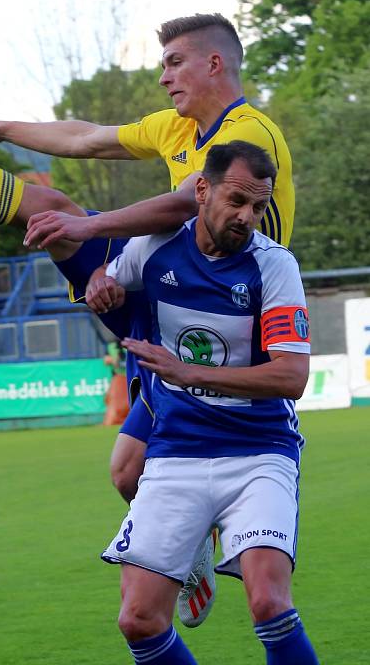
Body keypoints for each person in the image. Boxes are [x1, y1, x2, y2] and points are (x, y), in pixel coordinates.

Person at [0, 13, 293, 625]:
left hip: (231, 324)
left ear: (214, 64)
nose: (163, 78)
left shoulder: (249, 135)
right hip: (174, 303)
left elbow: (179, 201)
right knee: (125, 472)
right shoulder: (175, 129)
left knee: (129, 464)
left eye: (174, 63)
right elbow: (84, 137)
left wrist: (93, 227)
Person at [87, 141, 318, 665]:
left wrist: (186, 371)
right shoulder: (154, 249)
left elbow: (292, 375)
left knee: (268, 600)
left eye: (257, 207)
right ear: (202, 190)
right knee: (138, 619)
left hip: (259, 453)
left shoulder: (273, 266)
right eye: (236, 200)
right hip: (175, 454)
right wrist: (101, 283)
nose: (246, 217)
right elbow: (110, 281)